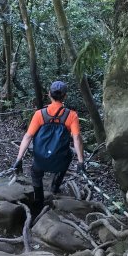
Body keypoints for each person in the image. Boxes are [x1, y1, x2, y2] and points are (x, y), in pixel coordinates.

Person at [12, 81, 85, 210]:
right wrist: (80, 162)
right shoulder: (72, 115)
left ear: (49, 94)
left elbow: (28, 136)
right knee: (70, 154)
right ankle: (55, 187)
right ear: (65, 96)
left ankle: (39, 200)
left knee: (35, 173)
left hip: (40, 160)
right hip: (59, 161)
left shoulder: (40, 114)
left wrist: (19, 159)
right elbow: (77, 139)